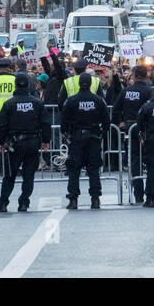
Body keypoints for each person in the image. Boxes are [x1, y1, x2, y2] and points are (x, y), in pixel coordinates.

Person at [0, 72, 50, 213]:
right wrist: (46, 140)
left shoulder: (9, 104)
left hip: (14, 144)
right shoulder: (37, 103)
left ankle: (3, 202)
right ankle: (24, 202)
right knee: (29, 175)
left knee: (10, 175)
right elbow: (45, 123)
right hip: (33, 142)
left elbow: (2, 125)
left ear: (15, 85)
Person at [61, 72, 111, 209]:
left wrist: (67, 134)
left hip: (76, 138)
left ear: (78, 84)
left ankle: (73, 199)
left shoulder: (71, 100)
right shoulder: (98, 100)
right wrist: (101, 133)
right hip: (93, 138)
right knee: (93, 169)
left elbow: (64, 121)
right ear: (91, 84)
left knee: (74, 170)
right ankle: (95, 199)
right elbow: (106, 121)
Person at [115, 64, 154, 204]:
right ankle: (153, 192)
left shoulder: (127, 91)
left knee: (135, 160)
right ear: (146, 75)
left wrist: (119, 124)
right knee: (151, 161)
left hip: (130, 128)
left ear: (135, 75)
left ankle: (138, 194)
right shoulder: (149, 91)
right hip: (147, 129)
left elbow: (116, 109)